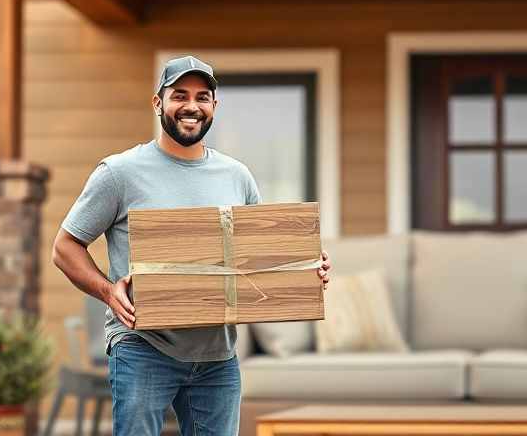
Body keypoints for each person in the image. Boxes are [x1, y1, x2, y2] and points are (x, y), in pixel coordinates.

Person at [51, 55, 332, 436]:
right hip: (142, 345)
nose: (191, 106)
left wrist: (302, 269)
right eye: (179, 95)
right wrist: (107, 290)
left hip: (218, 355)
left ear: (214, 107)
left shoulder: (237, 175)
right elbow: (65, 247)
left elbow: (255, 257)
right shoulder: (119, 172)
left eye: (203, 97)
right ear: (158, 103)